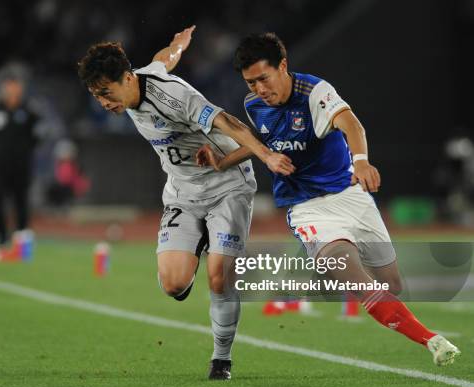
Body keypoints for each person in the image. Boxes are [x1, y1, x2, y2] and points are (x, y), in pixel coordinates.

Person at [196, 32, 460, 366]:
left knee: (390, 283)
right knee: (359, 282)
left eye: (264, 78)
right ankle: (433, 341)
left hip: (353, 197)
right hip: (310, 210)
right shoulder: (254, 106)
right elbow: (259, 143)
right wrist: (222, 161)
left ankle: (314, 275)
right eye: (251, 83)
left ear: (283, 66)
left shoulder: (314, 92)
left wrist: (361, 160)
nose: (260, 89)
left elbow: (351, 125)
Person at [77, 26, 292, 380]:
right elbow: (165, 59)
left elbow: (228, 122)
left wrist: (267, 157)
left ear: (127, 79)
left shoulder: (172, 97)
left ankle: (221, 359)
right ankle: (200, 242)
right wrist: (179, 43)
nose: (103, 102)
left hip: (227, 186)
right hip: (183, 192)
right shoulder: (142, 78)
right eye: (96, 95)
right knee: (173, 284)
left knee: (219, 278)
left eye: (105, 92)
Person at [0, 76, 40, 252]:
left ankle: (21, 239)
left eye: (16, 89)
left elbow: (38, 135)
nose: (13, 93)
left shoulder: (29, 112)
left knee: (21, 203)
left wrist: (28, 152)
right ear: (4, 90)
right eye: (9, 89)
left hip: (21, 166)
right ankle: (1, 239)